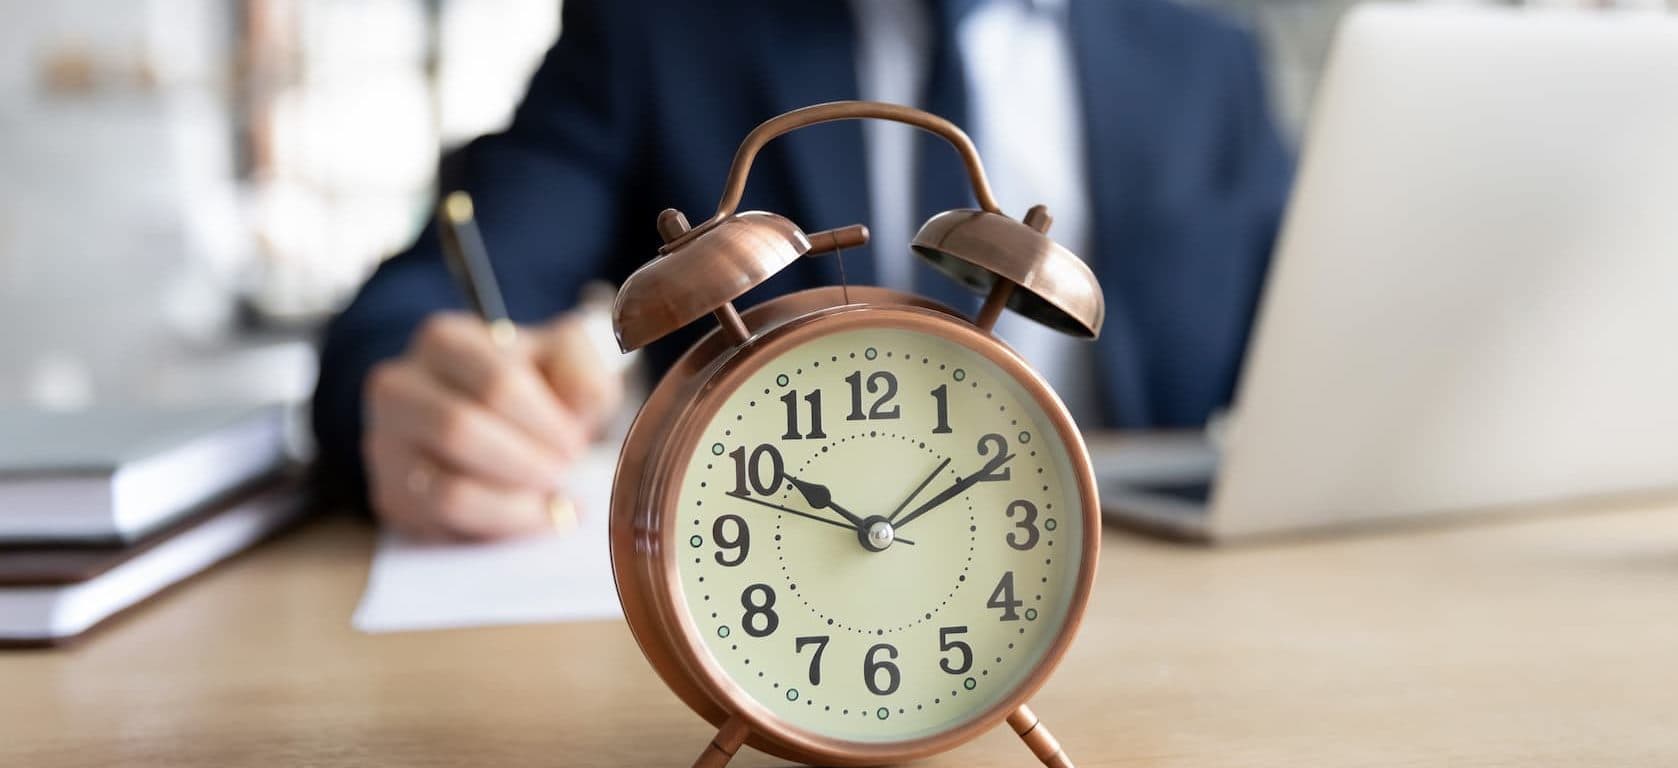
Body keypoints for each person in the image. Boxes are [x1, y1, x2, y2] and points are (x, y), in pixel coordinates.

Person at [312, 0, 1294, 541]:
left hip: (1151, 582)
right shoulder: (655, 35)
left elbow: (1316, 335)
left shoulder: (1209, 60)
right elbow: (423, 299)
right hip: (785, 564)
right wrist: (418, 389)